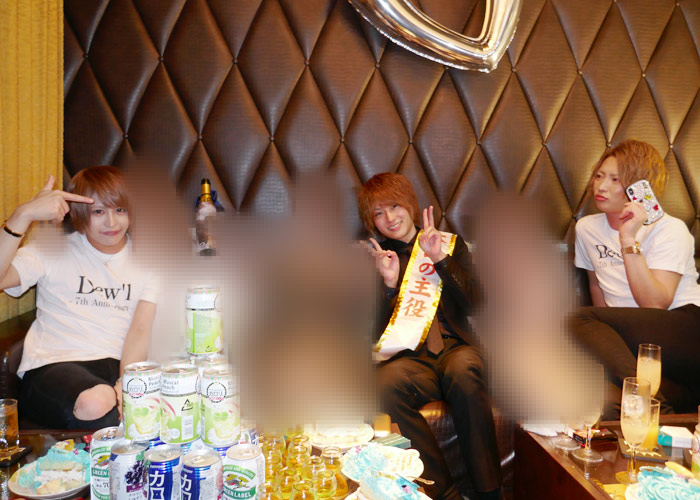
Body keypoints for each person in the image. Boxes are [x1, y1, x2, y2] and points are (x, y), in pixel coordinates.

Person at [358, 173, 502, 500]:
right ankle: (441, 492)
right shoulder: (379, 260)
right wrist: (389, 287)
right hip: (411, 361)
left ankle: (489, 493)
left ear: (410, 205)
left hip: (455, 349)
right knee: (382, 386)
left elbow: (476, 304)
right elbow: (376, 334)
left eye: (394, 206)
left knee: (464, 371)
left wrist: (439, 260)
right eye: (378, 213)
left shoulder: (449, 244)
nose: (389, 218)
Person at [0, 166, 158, 429]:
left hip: (116, 368)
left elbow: (139, 331)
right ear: (77, 213)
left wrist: (127, 384)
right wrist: (22, 215)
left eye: (120, 210)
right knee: (98, 402)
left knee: (141, 410)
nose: (111, 223)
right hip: (54, 365)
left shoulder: (148, 259)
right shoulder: (51, 249)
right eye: (98, 212)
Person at [571, 140, 700, 417]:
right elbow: (598, 287)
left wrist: (628, 239)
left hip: (685, 328)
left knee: (576, 318)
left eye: (615, 179)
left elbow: (655, 304)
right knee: (604, 398)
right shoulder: (587, 228)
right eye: (599, 176)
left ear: (639, 186)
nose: (601, 186)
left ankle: (648, 403)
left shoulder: (669, 230)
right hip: (637, 346)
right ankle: (660, 410)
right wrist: (603, 340)